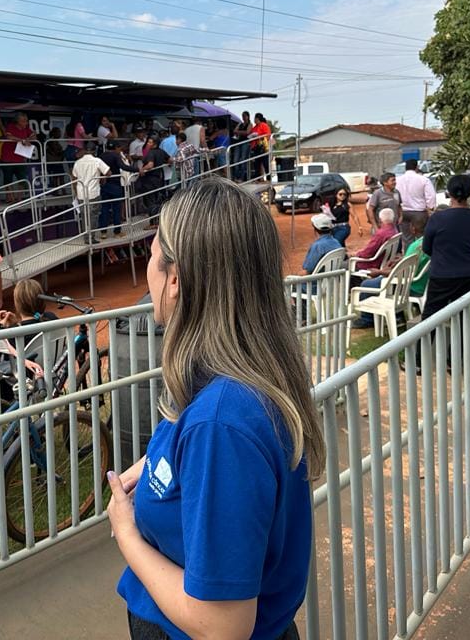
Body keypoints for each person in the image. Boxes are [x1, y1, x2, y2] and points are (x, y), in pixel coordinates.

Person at [108, 176, 325, 640]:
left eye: (150, 253)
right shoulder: (241, 381)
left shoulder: (223, 422)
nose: (146, 267)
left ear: (177, 279)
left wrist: (126, 531)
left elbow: (221, 626)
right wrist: (158, 466)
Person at [421, 175, 470, 320]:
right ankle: (461, 343)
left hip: (442, 275)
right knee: (465, 317)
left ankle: (423, 344)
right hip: (469, 275)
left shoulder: (437, 218)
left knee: (430, 318)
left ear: (449, 193)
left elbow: (426, 248)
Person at [353, 218, 430, 329]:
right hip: (419, 284)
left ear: (413, 229)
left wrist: (380, 272)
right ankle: (398, 317)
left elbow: (402, 272)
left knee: (367, 285)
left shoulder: (415, 246)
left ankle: (367, 319)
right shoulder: (427, 243)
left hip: (408, 286)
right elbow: (413, 263)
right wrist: (402, 259)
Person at [72, 143, 110, 243]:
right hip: (93, 192)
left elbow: (74, 179)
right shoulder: (97, 161)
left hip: (81, 193)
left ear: (84, 150)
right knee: (93, 215)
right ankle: (91, 237)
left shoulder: (77, 162)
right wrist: (102, 179)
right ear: (94, 151)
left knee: (84, 216)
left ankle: (86, 237)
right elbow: (108, 172)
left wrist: (76, 192)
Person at [395, 159, 436, 247]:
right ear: (416, 167)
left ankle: (408, 258)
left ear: (405, 168)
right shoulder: (423, 179)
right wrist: (430, 208)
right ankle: (421, 258)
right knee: (421, 237)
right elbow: (431, 196)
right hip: (419, 212)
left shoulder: (397, 180)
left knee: (406, 238)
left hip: (403, 212)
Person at [99, 144, 137, 239]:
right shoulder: (115, 156)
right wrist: (136, 169)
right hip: (115, 185)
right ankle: (117, 232)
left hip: (104, 185)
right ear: (116, 148)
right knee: (116, 208)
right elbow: (123, 167)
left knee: (104, 209)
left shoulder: (101, 156)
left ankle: (103, 232)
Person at [0, 111, 37, 201]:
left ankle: (19, 199)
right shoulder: (11, 127)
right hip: (7, 157)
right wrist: (22, 140)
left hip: (20, 158)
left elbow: (34, 136)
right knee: (8, 179)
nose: (26, 123)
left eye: (26, 121)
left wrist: (28, 139)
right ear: (17, 121)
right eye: (23, 121)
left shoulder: (26, 128)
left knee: (22, 179)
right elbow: (9, 137)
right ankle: (11, 199)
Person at [250, 113, 272, 180]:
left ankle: (268, 178)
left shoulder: (264, 125)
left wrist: (258, 136)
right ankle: (258, 178)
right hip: (256, 147)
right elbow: (251, 134)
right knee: (257, 163)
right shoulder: (254, 127)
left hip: (263, 146)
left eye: (255, 118)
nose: (254, 120)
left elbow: (268, 135)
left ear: (258, 119)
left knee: (265, 163)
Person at [232, 111, 253, 181]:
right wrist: (241, 132)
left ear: (248, 116)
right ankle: (236, 176)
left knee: (243, 160)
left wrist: (238, 132)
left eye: (244, 116)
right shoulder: (240, 123)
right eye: (242, 116)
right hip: (238, 143)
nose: (243, 117)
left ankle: (241, 177)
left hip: (245, 143)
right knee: (235, 160)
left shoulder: (250, 124)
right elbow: (234, 130)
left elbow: (247, 132)